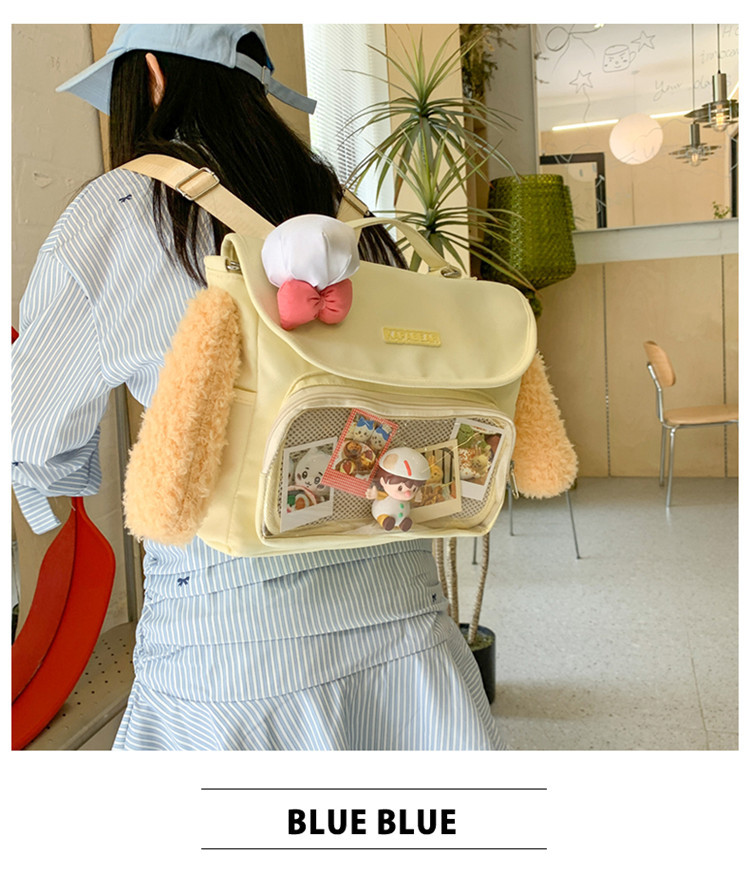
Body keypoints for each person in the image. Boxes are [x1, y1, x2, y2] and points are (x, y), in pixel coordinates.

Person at [11, 24, 504, 751]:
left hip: (233, 649)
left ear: (151, 74)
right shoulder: (347, 213)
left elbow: (31, 436)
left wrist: (59, 486)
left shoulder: (121, 209)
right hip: (406, 613)